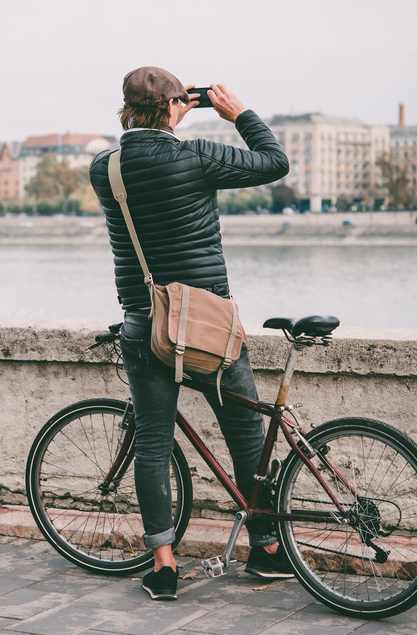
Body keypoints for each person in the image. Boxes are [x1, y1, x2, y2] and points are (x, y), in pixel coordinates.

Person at [88, 67, 292, 600]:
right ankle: (267, 550)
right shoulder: (196, 155)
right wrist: (237, 114)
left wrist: (170, 115)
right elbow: (275, 163)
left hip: (145, 323)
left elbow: (146, 159)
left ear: (125, 109)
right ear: (176, 106)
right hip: (211, 325)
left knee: (152, 444)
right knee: (247, 437)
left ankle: (163, 565)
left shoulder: (103, 169)